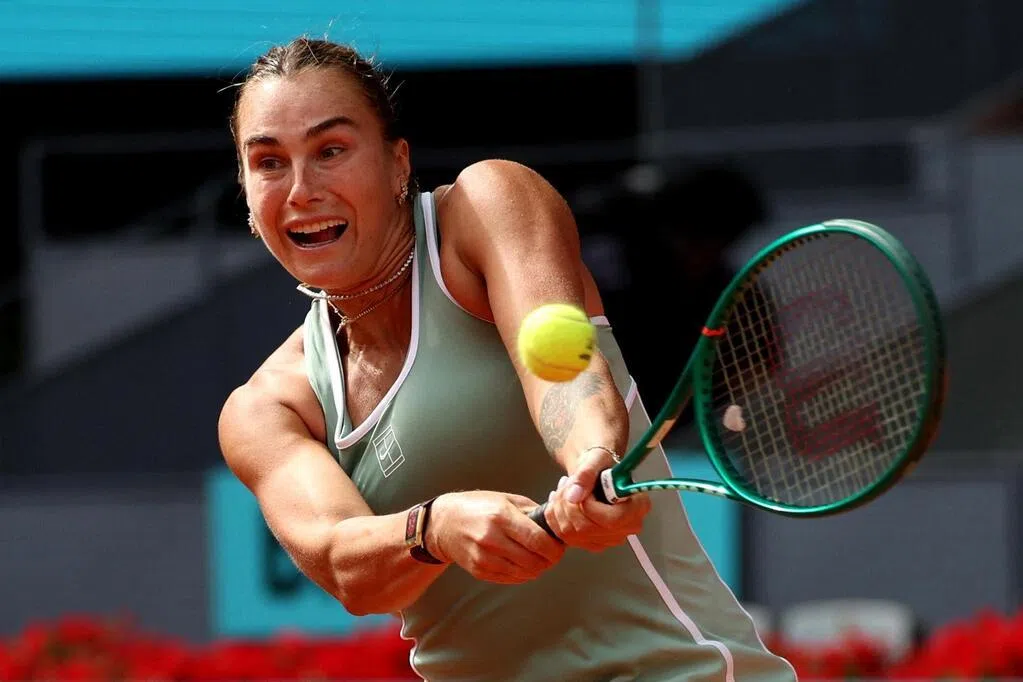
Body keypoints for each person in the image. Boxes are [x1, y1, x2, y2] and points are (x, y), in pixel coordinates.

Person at [217, 36, 796, 682]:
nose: (301, 190)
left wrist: (591, 458)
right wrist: (434, 528)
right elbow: (343, 564)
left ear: (397, 163)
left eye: (331, 151)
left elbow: (562, 373)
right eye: (269, 163)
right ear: (247, 193)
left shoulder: (486, 206)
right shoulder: (267, 408)